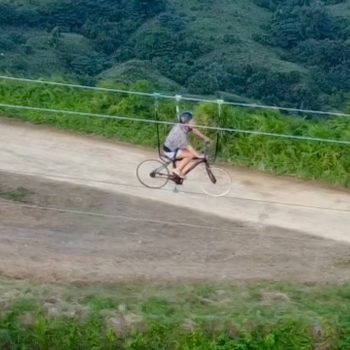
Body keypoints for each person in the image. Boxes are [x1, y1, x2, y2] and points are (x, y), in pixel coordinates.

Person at [163, 111, 210, 179]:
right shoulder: (180, 132)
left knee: (192, 154)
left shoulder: (184, 126)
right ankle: (177, 170)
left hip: (174, 147)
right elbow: (187, 146)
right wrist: (198, 156)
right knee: (190, 155)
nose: (194, 122)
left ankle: (177, 174)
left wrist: (205, 138)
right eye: (192, 121)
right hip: (170, 151)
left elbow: (195, 131)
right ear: (186, 122)